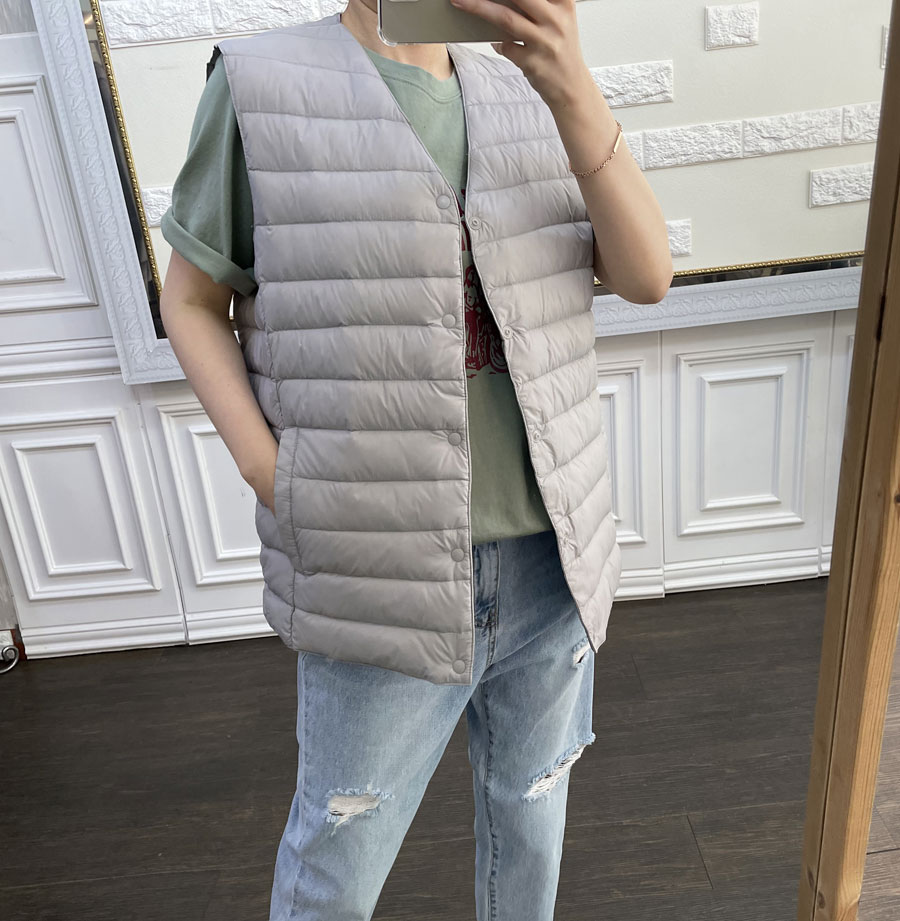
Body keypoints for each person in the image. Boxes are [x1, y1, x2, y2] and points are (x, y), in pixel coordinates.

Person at [159, 0, 672, 916]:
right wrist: (271, 474)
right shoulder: (259, 84)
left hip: (551, 565)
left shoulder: (529, 85)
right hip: (377, 574)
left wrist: (571, 85)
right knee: (336, 863)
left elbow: (646, 275)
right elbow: (194, 300)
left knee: (530, 833)